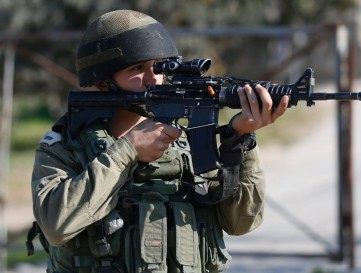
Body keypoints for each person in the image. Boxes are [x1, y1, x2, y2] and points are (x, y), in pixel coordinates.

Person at [29, 9, 289, 273]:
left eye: (160, 66)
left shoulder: (189, 143)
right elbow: (56, 225)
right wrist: (127, 150)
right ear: (104, 79)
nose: (153, 78)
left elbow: (241, 223)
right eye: (137, 68)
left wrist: (239, 140)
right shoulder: (67, 144)